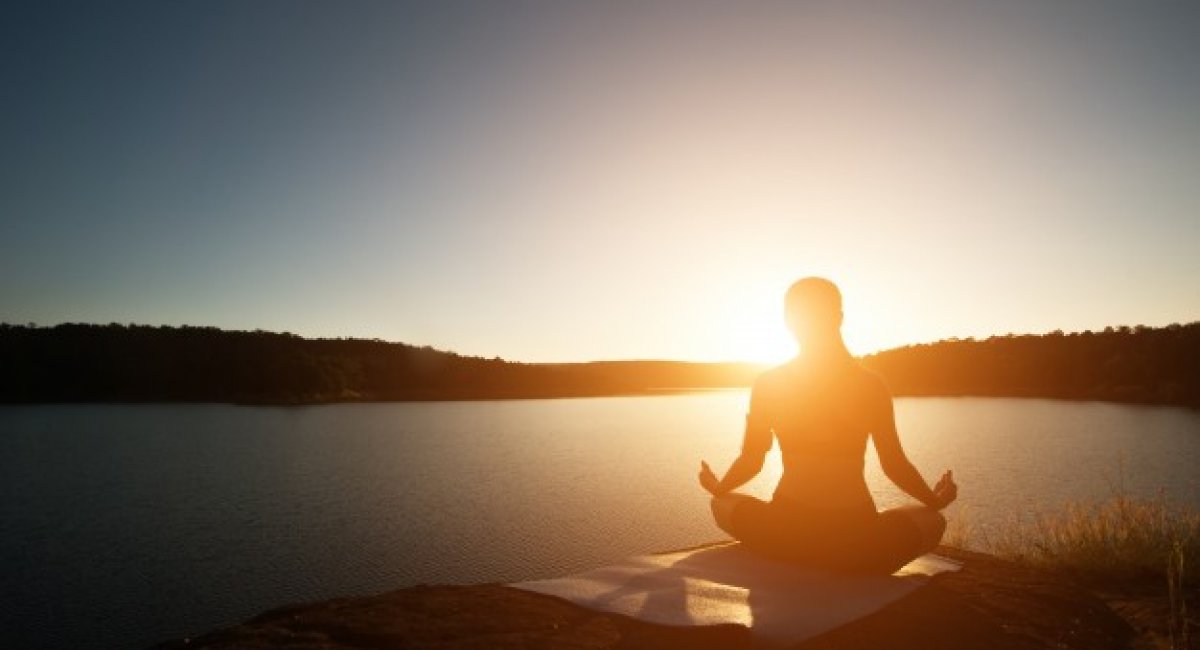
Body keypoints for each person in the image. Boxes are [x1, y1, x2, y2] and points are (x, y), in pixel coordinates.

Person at [698, 277, 957, 574]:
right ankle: (845, 558)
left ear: (788, 322)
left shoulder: (769, 384)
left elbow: (752, 459)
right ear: (838, 318)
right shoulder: (870, 385)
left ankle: (797, 553)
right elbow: (893, 463)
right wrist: (934, 500)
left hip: (784, 534)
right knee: (933, 521)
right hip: (856, 544)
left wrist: (718, 487)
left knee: (720, 504)